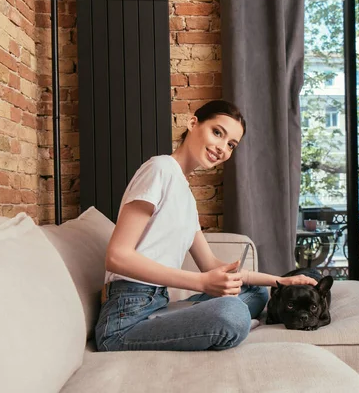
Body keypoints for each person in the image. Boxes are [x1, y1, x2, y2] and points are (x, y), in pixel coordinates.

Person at [95, 100, 317, 352]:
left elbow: (211, 266)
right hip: (124, 319)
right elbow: (117, 257)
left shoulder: (186, 195)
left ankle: (223, 322)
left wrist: (280, 281)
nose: (222, 148)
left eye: (231, 144)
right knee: (231, 313)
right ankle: (233, 323)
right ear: (193, 123)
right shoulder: (160, 169)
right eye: (217, 132)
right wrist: (201, 283)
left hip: (157, 303)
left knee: (256, 292)